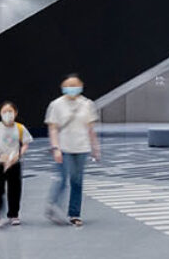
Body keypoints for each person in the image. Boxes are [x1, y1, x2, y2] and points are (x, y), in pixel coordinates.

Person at [44, 75, 101, 227]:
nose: (72, 87)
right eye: (68, 85)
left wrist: (95, 147)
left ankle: (74, 214)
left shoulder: (87, 104)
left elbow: (90, 128)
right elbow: (53, 128)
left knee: (77, 181)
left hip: (82, 148)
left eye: (75, 85)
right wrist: (55, 148)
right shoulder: (56, 104)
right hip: (64, 147)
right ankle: (53, 205)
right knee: (63, 178)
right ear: (63, 87)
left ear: (81, 86)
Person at [0, 101, 33, 228]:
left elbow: (25, 144)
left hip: (15, 163)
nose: (8, 114)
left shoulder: (20, 128)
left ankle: (14, 214)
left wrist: (18, 154)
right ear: (0, 113)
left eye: (10, 111)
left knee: (15, 189)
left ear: (15, 113)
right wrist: (0, 155)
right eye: (5, 112)